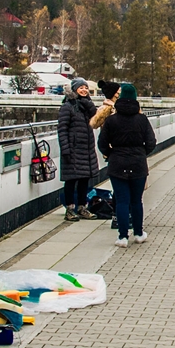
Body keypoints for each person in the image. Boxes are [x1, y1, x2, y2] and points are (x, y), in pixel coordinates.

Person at [98, 84, 156, 247]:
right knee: (136, 201)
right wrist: (141, 153)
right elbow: (151, 142)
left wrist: (111, 154)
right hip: (138, 163)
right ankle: (138, 233)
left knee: (122, 201)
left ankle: (122, 236)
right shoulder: (142, 120)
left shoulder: (111, 120)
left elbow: (102, 143)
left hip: (117, 163)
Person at [57, 77, 100, 221]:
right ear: (75, 89)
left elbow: (96, 118)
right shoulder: (67, 107)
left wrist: (89, 105)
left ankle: (82, 207)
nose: (84, 90)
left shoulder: (87, 106)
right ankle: (69, 209)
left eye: (86, 88)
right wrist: (65, 149)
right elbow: (62, 129)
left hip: (86, 150)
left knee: (84, 180)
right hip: (73, 149)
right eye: (81, 87)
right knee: (71, 180)